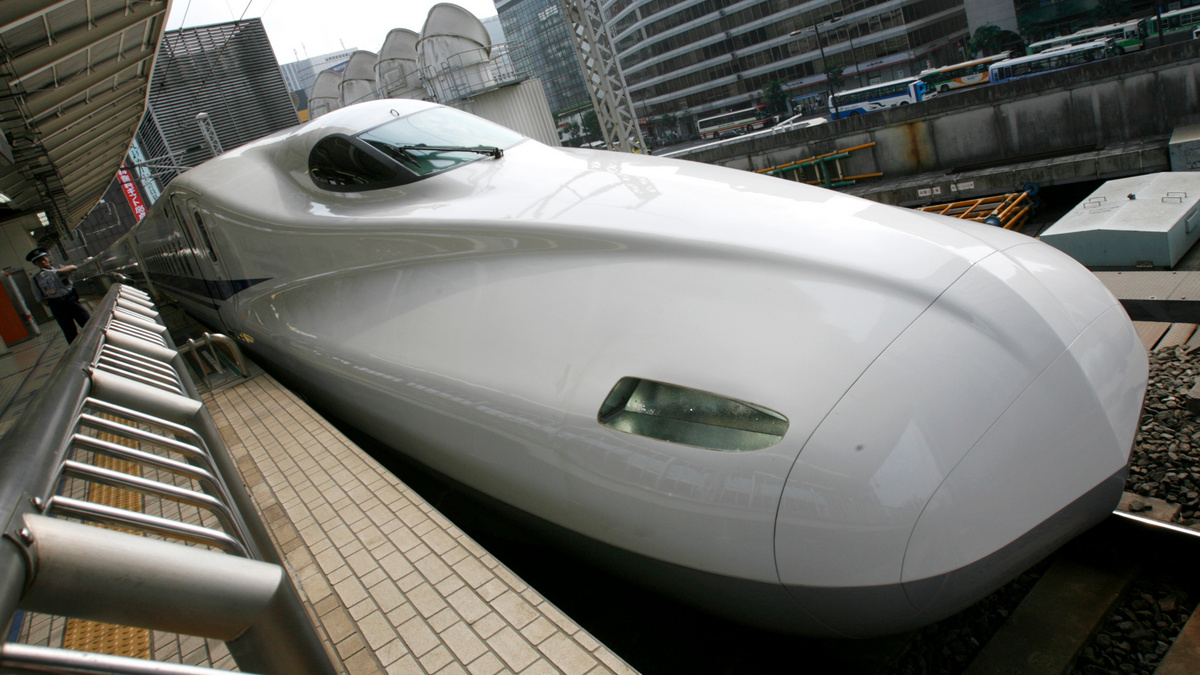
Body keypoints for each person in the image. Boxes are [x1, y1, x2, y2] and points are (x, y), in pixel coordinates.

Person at [27, 248, 91, 344]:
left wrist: (56, 272)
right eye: (39, 261)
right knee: (69, 331)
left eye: (43, 258)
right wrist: (53, 304)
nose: (42, 261)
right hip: (57, 305)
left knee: (88, 322)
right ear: (35, 264)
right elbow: (39, 297)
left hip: (71, 300)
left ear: (47, 259)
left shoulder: (60, 268)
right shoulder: (36, 279)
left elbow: (73, 268)